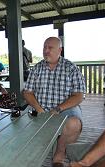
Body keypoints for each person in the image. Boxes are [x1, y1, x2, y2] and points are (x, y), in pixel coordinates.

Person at [23, 37, 86, 167]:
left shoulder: (70, 68)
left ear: (60, 50)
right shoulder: (37, 68)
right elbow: (27, 92)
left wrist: (58, 109)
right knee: (18, 123)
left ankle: (59, 154)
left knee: (74, 124)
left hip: (64, 109)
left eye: (50, 48)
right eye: (44, 47)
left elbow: (79, 95)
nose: (46, 50)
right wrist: (39, 109)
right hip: (40, 108)